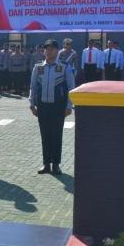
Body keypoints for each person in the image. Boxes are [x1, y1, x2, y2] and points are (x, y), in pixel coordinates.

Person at [29, 39, 75, 176]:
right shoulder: (38, 67)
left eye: (51, 49)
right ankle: (46, 164)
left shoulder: (64, 67)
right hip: (42, 107)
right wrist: (32, 104)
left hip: (58, 107)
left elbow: (71, 88)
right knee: (45, 136)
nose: (48, 51)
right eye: (46, 49)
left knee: (56, 135)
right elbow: (32, 87)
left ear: (57, 50)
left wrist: (69, 106)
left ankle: (56, 164)